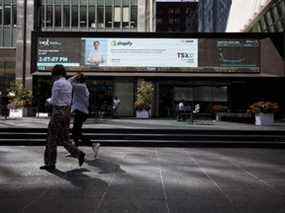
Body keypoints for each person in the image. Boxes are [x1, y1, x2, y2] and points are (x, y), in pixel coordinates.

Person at [40, 65, 86, 171]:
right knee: (64, 138)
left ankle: (50, 163)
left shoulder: (57, 83)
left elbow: (54, 100)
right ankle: (78, 153)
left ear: (55, 73)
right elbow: (71, 80)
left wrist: (48, 100)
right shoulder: (68, 84)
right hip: (67, 113)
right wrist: (77, 75)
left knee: (51, 138)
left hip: (58, 112)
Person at [68, 73, 100, 158]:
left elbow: (68, 82)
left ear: (78, 80)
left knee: (75, 131)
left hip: (80, 112)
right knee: (76, 131)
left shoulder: (80, 87)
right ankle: (75, 151)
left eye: (76, 78)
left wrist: (74, 76)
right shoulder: (84, 87)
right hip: (82, 112)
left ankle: (93, 144)